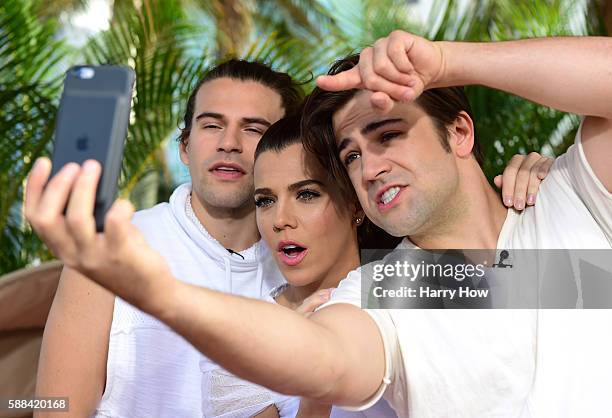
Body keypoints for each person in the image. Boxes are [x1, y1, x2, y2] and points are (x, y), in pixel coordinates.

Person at [27, 32, 607, 417]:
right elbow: (327, 357)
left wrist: (452, 61)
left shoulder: (573, 196)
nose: (371, 165)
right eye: (351, 155)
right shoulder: (388, 292)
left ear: (459, 133)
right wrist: (156, 291)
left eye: (387, 134)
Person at [33, 59, 303, 418]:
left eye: (253, 129)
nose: (229, 143)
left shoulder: (306, 261)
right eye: (211, 125)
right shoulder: (112, 250)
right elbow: (54, 409)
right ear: (185, 147)